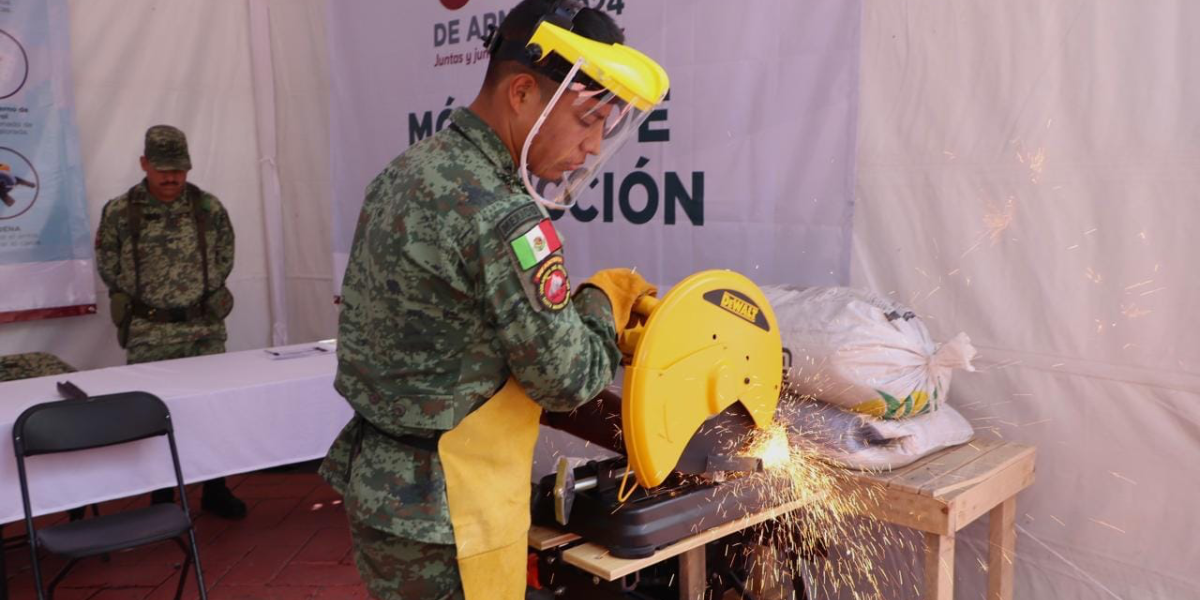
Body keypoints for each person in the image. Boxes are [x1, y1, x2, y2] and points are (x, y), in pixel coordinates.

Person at [318, 1, 669, 598]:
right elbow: (569, 379)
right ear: (523, 92)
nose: (591, 147)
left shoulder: (408, 171)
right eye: (587, 120)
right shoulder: (503, 217)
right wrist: (600, 304)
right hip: (450, 507)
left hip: (381, 487)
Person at [94, 124, 246, 520]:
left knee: (212, 411)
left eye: (179, 169)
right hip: (150, 330)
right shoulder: (121, 211)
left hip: (202, 328)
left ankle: (215, 489)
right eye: (162, 168)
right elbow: (108, 264)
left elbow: (225, 256)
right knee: (154, 414)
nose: (171, 178)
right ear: (144, 164)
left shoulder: (207, 208)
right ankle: (161, 498)